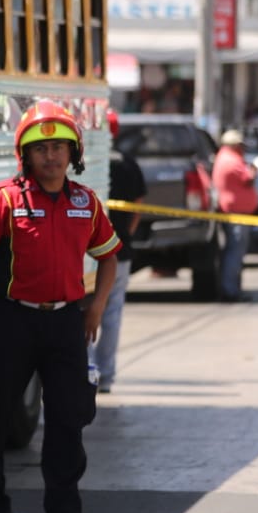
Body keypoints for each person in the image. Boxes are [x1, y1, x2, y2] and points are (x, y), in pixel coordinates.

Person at [0, 100, 121, 513]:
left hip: (66, 324)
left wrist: (96, 307)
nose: (51, 156)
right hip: (12, 322)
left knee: (69, 419)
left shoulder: (87, 203)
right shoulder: (5, 199)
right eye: (41, 148)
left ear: (74, 154)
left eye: (59, 147)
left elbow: (109, 258)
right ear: (25, 156)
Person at [90, 109, 147, 394]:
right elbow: (138, 202)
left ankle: (86, 372)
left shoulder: (86, 161)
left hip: (86, 254)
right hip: (120, 250)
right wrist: (128, 232)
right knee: (111, 314)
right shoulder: (127, 163)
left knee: (83, 313)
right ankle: (106, 375)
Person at [211, 129, 258, 303]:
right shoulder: (231, 160)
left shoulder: (224, 157)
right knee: (235, 252)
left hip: (235, 213)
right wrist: (254, 171)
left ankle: (230, 288)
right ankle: (230, 290)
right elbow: (248, 178)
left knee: (233, 251)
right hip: (236, 214)